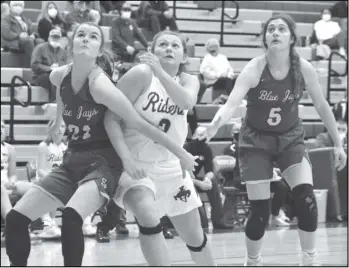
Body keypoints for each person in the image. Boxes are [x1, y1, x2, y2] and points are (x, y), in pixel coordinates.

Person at [5, 22, 197, 267]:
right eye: (81, 35)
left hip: (103, 162)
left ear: (99, 50)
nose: (86, 39)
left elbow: (139, 122)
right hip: (72, 159)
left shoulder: (100, 85)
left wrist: (180, 152)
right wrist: (59, 119)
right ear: (71, 44)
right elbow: (61, 91)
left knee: (72, 217)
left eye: (93, 36)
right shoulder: (58, 74)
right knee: (15, 218)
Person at [196, 13, 347, 266]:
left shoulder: (304, 70)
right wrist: (213, 126)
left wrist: (339, 143)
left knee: (307, 200)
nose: (275, 33)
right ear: (265, 38)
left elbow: (322, 106)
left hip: (290, 139)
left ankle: (309, 260)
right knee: (260, 213)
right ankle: (252, 260)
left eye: (281, 29)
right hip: (256, 142)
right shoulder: (255, 68)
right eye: (271, 29)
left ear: (291, 38)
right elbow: (232, 103)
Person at [105, 30, 216, 266]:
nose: (168, 48)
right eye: (162, 44)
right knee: (148, 216)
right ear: (151, 52)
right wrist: (126, 159)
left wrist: (160, 72)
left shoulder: (189, 80)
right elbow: (110, 118)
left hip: (172, 166)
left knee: (195, 237)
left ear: (183, 57)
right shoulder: (141, 75)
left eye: (175, 45)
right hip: (136, 166)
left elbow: (186, 102)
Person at [31, 29, 68, 103]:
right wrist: (50, 68)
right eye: (53, 37)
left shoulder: (63, 51)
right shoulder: (40, 48)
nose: (55, 39)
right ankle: (55, 101)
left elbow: (65, 65)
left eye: (57, 38)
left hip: (58, 75)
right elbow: (34, 65)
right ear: (49, 38)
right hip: (40, 76)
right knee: (54, 76)